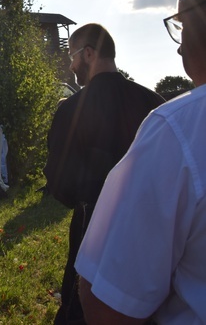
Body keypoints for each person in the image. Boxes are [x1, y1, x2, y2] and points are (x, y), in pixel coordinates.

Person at [75, 0, 206, 324]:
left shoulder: (176, 126)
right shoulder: (156, 100)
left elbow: (108, 302)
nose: (178, 46)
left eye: (180, 24)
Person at [43, 23, 164, 325]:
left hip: (93, 225)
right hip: (150, 227)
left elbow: (61, 184)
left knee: (83, 308)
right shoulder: (154, 103)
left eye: (72, 56)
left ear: (88, 54)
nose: (71, 65)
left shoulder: (71, 110)